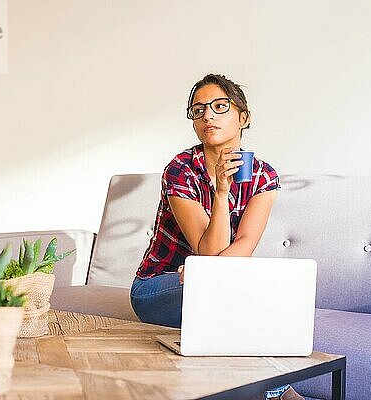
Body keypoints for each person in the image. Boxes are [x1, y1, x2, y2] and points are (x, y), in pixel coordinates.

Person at [130, 74, 303, 400]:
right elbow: (206, 252)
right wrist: (221, 192)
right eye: (198, 110)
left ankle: (271, 392)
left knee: (242, 299)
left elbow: (245, 244)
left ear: (243, 116)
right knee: (237, 299)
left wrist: (206, 275)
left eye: (219, 106)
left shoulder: (263, 176)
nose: (208, 115)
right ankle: (283, 392)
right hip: (159, 287)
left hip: (214, 285)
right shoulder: (180, 169)